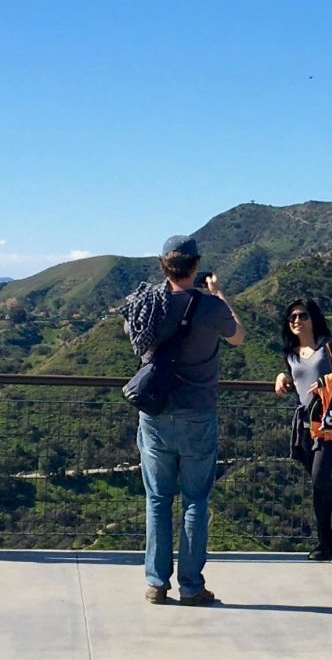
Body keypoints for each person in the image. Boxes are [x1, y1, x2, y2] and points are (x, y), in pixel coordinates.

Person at [122, 235, 244, 605]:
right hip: (198, 414)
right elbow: (238, 336)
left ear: (164, 266)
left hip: (156, 413)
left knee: (158, 499)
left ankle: (157, 584)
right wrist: (219, 294)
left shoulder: (148, 306)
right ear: (196, 265)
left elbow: (130, 333)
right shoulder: (210, 307)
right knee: (195, 500)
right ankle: (191, 586)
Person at [274, 299, 332, 561]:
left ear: (313, 318)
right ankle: (325, 544)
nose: (296, 321)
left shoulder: (330, 346)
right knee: (318, 486)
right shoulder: (291, 351)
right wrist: (282, 378)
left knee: (320, 478)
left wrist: (328, 381)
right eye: (292, 317)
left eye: (302, 316)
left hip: (329, 422)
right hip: (304, 424)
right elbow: (294, 376)